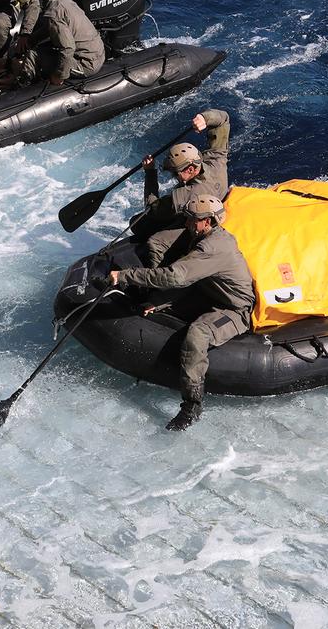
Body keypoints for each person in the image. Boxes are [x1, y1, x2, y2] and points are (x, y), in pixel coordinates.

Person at [106, 194, 255, 431]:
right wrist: (162, 302)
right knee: (153, 307)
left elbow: (175, 276)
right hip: (206, 294)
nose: (186, 224)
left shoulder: (213, 247)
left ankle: (192, 404)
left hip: (233, 309)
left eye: (191, 220)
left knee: (197, 334)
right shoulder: (201, 236)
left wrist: (125, 275)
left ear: (207, 221)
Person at [135, 109, 230, 239]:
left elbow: (153, 210)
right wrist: (205, 118)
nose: (173, 176)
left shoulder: (184, 196)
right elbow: (223, 121)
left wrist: (150, 172)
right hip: (215, 203)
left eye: (175, 172)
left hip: (196, 223)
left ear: (191, 169)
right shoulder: (216, 162)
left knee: (138, 223)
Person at [10, 0, 105, 86]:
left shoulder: (54, 13)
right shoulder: (66, 2)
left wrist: (59, 75)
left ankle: (22, 84)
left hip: (86, 64)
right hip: (96, 55)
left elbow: (68, 48)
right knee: (41, 48)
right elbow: (49, 29)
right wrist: (30, 40)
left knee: (34, 55)